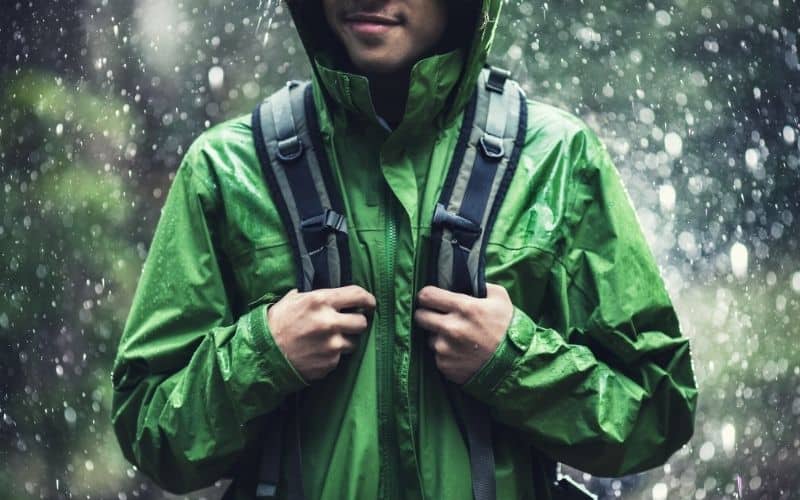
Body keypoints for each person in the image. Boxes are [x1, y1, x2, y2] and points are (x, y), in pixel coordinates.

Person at [111, 0, 698, 499]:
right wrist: (263, 355)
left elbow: (657, 408)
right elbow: (148, 426)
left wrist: (513, 362)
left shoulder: (556, 158)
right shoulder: (227, 169)